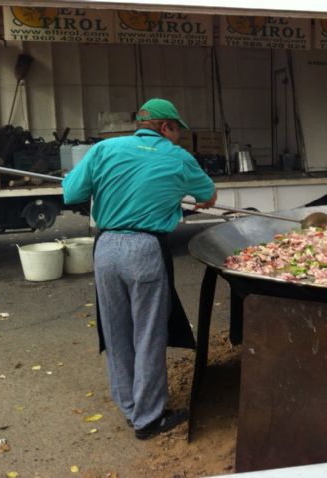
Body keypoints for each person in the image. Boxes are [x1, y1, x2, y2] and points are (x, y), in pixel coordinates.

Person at [62, 98, 217, 440]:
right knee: (148, 333)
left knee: (115, 330)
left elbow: (72, 192)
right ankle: (149, 419)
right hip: (144, 249)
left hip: (105, 248)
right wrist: (187, 195)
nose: (179, 138)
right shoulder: (178, 157)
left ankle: (130, 406)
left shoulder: (104, 149)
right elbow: (208, 196)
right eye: (177, 130)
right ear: (165, 127)